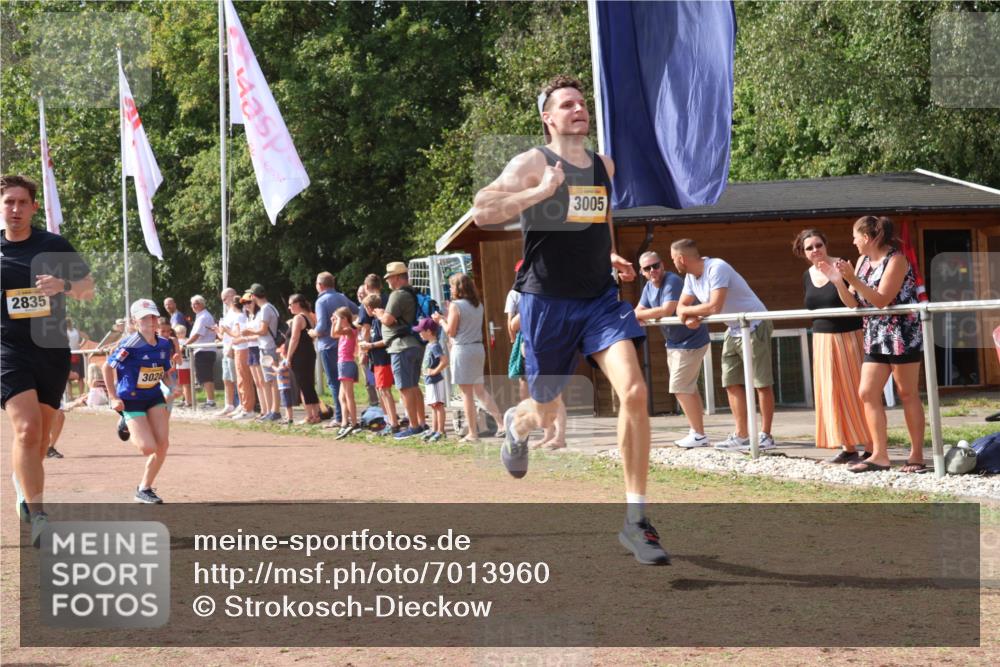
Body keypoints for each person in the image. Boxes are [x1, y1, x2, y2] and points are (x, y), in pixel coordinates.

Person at [471, 76, 668, 565]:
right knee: (545, 411)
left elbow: (597, 218)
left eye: (582, 103)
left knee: (636, 391)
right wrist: (538, 191)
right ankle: (518, 428)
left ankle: (635, 520)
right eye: (567, 104)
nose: (578, 109)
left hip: (599, 300)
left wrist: (611, 255)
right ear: (548, 117)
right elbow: (483, 210)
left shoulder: (604, 165)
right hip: (546, 304)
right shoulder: (533, 162)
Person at [2, 174, 95, 543]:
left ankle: (22, 479)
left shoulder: (53, 245)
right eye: (9, 202)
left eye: (22, 202)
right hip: (8, 349)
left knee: (39, 439)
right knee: (25, 429)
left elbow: (88, 290)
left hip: (52, 348)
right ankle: (38, 514)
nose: (15, 209)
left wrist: (64, 286)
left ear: (34, 207)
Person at [828, 216, 926, 473]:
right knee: (867, 392)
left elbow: (882, 299)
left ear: (868, 238)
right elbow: (853, 303)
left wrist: (853, 279)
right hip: (875, 332)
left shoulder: (897, 260)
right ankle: (880, 455)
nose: (853, 241)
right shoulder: (861, 262)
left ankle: (916, 455)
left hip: (902, 332)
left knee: (907, 393)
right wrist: (839, 281)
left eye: (855, 236)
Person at [672, 239, 777, 452]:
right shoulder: (691, 277)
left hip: (754, 323)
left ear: (681, 259)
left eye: (673, 259)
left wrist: (692, 314)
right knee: (731, 381)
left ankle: (766, 435)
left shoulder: (717, 267)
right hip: (734, 327)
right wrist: (690, 316)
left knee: (761, 382)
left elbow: (714, 306)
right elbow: (681, 307)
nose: (673, 263)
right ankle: (742, 435)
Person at [793, 229, 873, 463]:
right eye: (809, 247)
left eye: (819, 245)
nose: (815, 250)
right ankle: (848, 447)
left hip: (849, 335)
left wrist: (839, 282)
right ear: (803, 252)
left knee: (857, 391)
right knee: (831, 392)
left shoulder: (843, 266)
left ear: (825, 245)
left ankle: (870, 446)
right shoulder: (807, 275)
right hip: (821, 339)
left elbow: (852, 303)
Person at [633, 250, 712, 448]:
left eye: (655, 265)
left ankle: (699, 435)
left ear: (663, 265)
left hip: (691, 341)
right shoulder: (648, 287)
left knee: (679, 387)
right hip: (674, 344)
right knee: (688, 388)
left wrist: (644, 316)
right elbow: (637, 311)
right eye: (647, 268)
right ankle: (698, 432)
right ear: (642, 272)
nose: (653, 270)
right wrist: (643, 315)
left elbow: (667, 309)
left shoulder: (673, 280)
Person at [102, 299, 178, 503]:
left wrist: (171, 385)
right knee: (148, 448)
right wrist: (113, 397)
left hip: (153, 397)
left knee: (163, 445)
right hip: (131, 399)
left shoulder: (164, 344)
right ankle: (125, 421)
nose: (151, 321)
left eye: (153, 316)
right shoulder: (129, 345)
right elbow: (107, 368)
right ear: (135, 322)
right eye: (145, 318)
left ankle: (144, 488)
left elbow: (163, 371)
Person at [431, 272, 503, 443]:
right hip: (477, 348)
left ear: (458, 288)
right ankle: (501, 424)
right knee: (480, 390)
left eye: (451, 286)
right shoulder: (478, 305)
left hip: (462, 350)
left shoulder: (456, 305)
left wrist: (440, 320)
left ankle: (473, 433)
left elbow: (451, 331)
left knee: (467, 394)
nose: (450, 289)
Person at [375, 262, 428, 439]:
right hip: (414, 344)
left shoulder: (397, 295)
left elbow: (388, 320)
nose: (388, 281)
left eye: (389, 277)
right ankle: (421, 423)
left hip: (401, 346)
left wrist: (379, 314)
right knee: (413, 386)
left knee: (404, 388)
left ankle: (413, 426)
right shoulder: (413, 292)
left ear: (397, 277)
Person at [309, 272, 358, 428]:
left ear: (320, 285)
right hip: (342, 344)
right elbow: (356, 309)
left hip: (328, 345)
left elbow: (322, 326)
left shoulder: (321, 301)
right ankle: (346, 417)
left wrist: (312, 332)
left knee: (334, 382)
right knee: (343, 384)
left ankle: (339, 417)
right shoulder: (342, 297)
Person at [359, 293, 400, 436]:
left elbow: (386, 340)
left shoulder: (379, 321)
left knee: (385, 391)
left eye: (365, 307)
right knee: (382, 391)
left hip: (383, 360)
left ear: (370, 308)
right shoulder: (374, 321)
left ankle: (393, 423)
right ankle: (389, 421)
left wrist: (370, 345)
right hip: (377, 361)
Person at [242, 283, 282, 421]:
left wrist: (248, 331)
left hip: (267, 347)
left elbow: (263, 330)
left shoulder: (265, 309)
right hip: (266, 346)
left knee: (272, 381)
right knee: (270, 381)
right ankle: (272, 410)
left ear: (253, 296)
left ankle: (275, 411)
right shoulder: (269, 307)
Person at [286, 294, 321, 424]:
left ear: (298, 304)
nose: (289, 307)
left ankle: (311, 416)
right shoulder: (310, 316)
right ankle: (316, 414)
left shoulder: (298, 318)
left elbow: (294, 338)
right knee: (308, 384)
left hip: (300, 355)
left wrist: (288, 356)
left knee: (303, 385)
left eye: (291, 304)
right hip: (309, 353)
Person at [415, 317, 448, 442]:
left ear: (429, 331)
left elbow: (444, 361)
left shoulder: (435, 346)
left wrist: (434, 371)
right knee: (433, 406)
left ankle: (441, 431)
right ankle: (434, 430)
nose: (419, 333)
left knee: (438, 405)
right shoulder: (429, 345)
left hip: (435, 381)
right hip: (429, 381)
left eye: (421, 331)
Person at [331, 306, 361, 437]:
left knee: (348, 396)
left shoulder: (349, 330)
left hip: (346, 363)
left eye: (339, 318)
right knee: (341, 396)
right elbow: (333, 334)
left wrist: (337, 320)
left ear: (344, 318)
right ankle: (345, 422)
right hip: (343, 363)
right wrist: (334, 322)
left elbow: (337, 330)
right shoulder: (345, 330)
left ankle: (354, 423)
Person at [213, 288, 243, 418]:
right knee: (226, 379)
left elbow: (236, 333)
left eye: (225, 299)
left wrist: (230, 346)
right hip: (226, 348)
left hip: (233, 348)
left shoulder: (239, 313)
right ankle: (229, 405)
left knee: (237, 379)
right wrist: (217, 331)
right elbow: (223, 334)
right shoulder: (228, 312)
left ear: (232, 296)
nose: (224, 302)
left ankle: (242, 404)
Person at [185, 294, 217, 408]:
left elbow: (197, 335)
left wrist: (185, 344)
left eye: (197, 303)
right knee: (203, 376)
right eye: (192, 304)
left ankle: (211, 401)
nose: (194, 306)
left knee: (206, 376)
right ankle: (209, 400)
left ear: (203, 304)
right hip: (201, 350)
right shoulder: (200, 316)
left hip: (205, 350)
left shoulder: (204, 317)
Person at [65, 317, 88, 399]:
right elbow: (86, 337)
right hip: (77, 353)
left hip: (69, 355)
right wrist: (80, 346)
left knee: (67, 377)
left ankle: (70, 396)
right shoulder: (76, 331)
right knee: (80, 376)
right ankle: (81, 395)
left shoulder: (64, 332)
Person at [172, 324, 193, 408]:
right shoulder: (188, 340)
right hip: (183, 365)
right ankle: (185, 400)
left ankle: (188, 401)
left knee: (185, 384)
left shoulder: (178, 342)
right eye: (179, 332)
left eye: (182, 332)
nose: (181, 334)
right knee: (183, 384)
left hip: (183, 366)